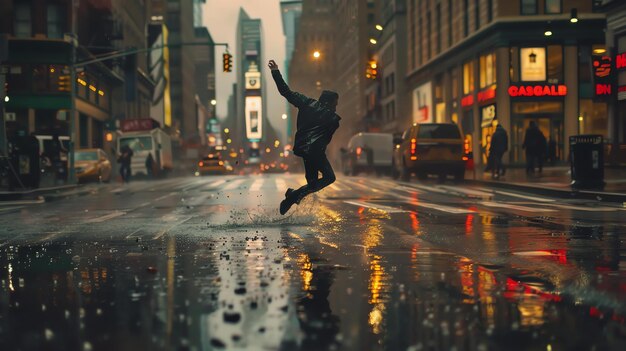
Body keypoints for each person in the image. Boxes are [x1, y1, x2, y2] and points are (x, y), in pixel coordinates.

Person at [268, 59, 341, 215]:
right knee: (329, 178)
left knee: (313, 183)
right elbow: (326, 139)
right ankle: (293, 196)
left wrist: (275, 72)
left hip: (305, 149)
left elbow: (285, 92)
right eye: (335, 104)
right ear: (329, 103)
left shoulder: (307, 103)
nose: (336, 107)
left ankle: (293, 195)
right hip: (316, 152)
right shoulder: (332, 119)